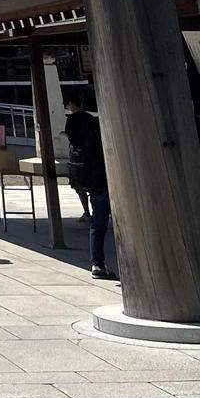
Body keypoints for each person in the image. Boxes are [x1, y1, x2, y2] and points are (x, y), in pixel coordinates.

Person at [64, 92, 115, 280]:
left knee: (98, 223)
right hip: (101, 174)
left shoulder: (71, 127)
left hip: (85, 175)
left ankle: (97, 263)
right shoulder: (93, 123)